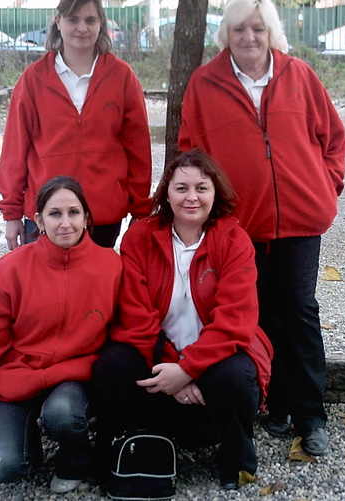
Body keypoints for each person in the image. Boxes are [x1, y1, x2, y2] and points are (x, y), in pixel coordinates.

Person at [178, 0, 345, 457]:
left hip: (299, 220)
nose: (249, 37)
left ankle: (310, 413)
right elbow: (190, 150)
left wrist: (324, 186)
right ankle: (272, 405)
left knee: (298, 310)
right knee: (253, 315)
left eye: (257, 28)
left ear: (270, 31)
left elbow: (333, 139)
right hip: (238, 223)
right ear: (225, 36)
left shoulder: (300, 76)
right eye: (239, 29)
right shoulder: (205, 84)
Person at [92, 149, 273, 490]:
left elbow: (235, 320)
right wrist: (175, 370)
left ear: (215, 192)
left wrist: (188, 369)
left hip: (213, 360)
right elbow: (136, 316)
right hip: (159, 358)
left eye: (201, 188)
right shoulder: (140, 237)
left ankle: (234, 453)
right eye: (181, 188)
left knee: (237, 374)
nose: (192, 197)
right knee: (112, 364)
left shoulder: (234, 240)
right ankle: (112, 451)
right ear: (167, 193)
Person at [0, 176, 121, 494]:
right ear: (39, 221)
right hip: (16, 378)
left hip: (72, 378)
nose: (65, 223)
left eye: (74, 213)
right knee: (6, 467)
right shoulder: (10, 269)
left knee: (62, 413)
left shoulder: (111, 266)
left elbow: (123, 335)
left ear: (87, 219)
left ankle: (76, 457)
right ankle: (26, 434)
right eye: (55, 214)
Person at [0, 0, 152, 250]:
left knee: (97, 291)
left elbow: (138, 149)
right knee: (46, 291)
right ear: (58, 22)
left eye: (90, 20)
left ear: (101, 24)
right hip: (48, 215)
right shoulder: (34, 80)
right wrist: (11, 213)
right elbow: (15, 148)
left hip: (102, 216)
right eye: (73, 19)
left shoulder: (122, 77)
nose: (82, 28)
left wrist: (139, 210)